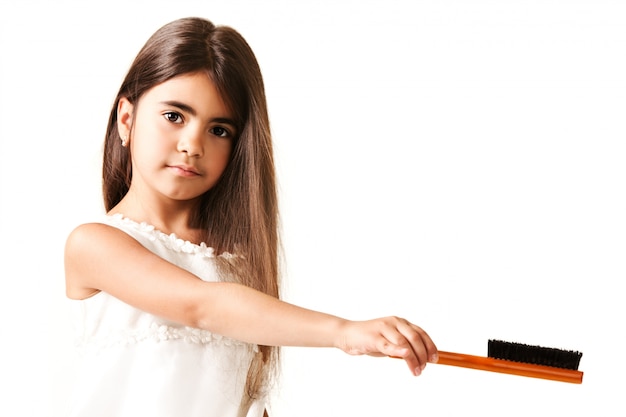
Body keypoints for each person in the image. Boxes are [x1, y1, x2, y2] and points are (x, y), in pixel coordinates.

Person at [64, 16, 439, 417]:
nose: (192, 144)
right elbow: (202, 306)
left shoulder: (237, 264)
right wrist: (342, 332)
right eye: (175, 116)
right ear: (126, 119)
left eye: (219, 130)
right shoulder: (94, 245)